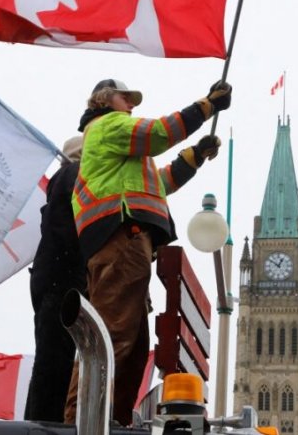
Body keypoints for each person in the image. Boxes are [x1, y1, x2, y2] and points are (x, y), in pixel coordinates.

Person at [64, 78, 231, 425]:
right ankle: (80, 423)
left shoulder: (120, 155)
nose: (131, 104)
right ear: (105, 100)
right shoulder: (108, 125)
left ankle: (114, 421)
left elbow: (160, 183)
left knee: (134, 346)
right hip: (121, 236)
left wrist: (195, 156)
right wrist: (206, 106)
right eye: (126, 98)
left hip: (123, 240)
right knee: (112, 336)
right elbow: (157, 134)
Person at [23, 136, 87, 423]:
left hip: (53, 279)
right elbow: (75, 233)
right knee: (55, 361)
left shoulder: (63, 179)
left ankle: (44, 422)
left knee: (53, 359)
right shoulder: (75, 176)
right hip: (64, 281)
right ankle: (46, 425)